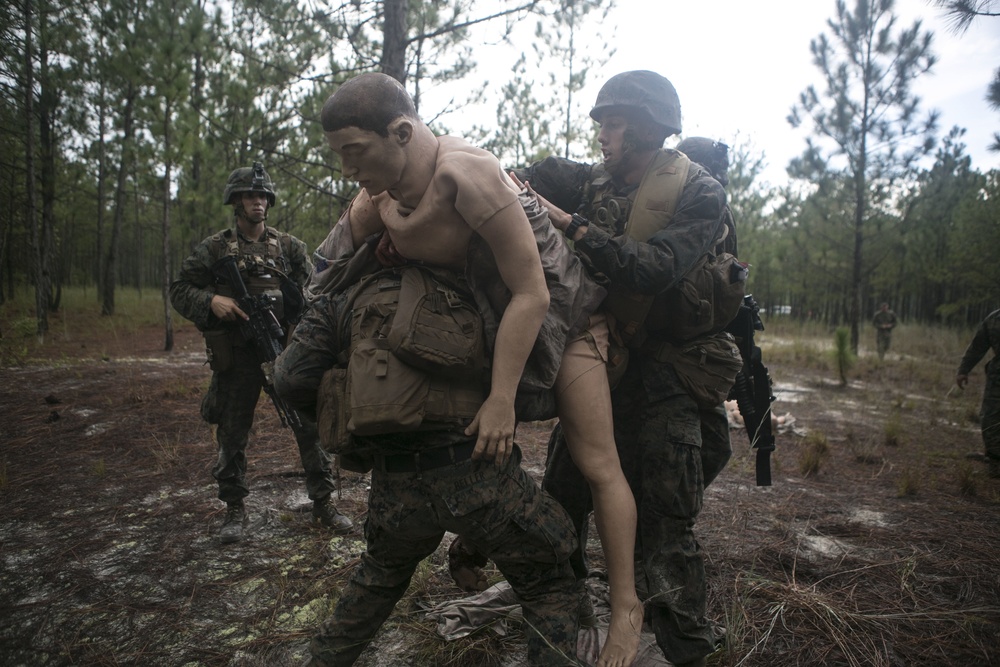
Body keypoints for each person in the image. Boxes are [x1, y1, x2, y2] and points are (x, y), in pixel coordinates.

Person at [274, 72, 590, 667]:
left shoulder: (467, 175)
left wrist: (501, 399)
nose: (346, 168)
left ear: (400, 131)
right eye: (338, 154)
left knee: (381, 575)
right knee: (550, 573)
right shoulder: (374, 200)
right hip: (450, 463)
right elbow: (324, 274)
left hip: (443, 445)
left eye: (355, 152)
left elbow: (533, 294)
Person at [518, 71, 735, 667]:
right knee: (560, 503)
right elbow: (504, 178)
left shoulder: (699, 192)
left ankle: (689, 651)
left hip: (668, 374)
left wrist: (571, 225)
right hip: (601, 365)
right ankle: (560, 635)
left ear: (645, 128)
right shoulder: (586, 181)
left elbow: (655, 269)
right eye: (601, 122)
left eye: (612, 122)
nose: (601, 133)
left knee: (666, 530)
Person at [169, 163, 353, 545]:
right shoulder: (216, 248)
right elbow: (180, 289)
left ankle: (323, 503)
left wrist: (299, 317)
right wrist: (212, 300)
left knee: (308, 425)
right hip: (237, 357)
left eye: (263, 196)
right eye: (250, 196)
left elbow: (317, 291)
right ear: (235, 202)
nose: (258, 202)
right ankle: (234, 509)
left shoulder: (288, 247)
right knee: (233, 431)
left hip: (281, 349)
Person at [955, 308, 1000, 479]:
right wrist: (963, 370)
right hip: (997, 381)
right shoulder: (994, 318)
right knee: (990, 419)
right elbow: (978, 345)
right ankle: (996, 462)